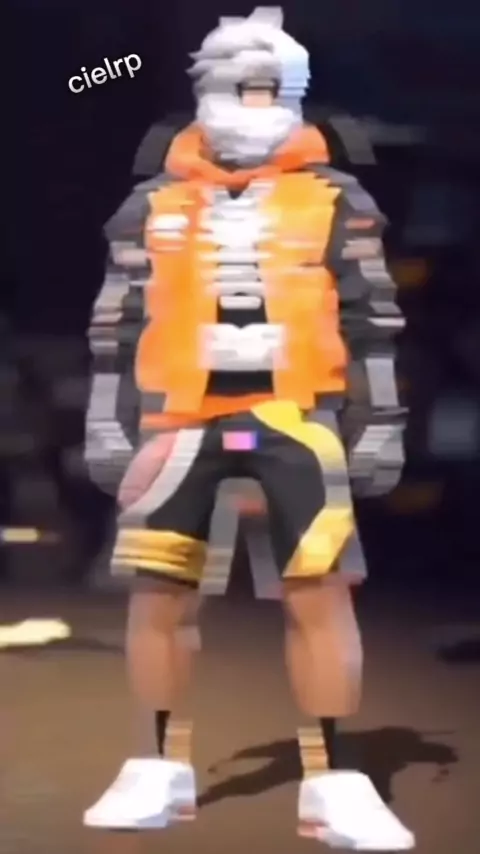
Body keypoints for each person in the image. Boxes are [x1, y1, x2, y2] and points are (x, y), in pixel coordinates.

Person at [83, 7, 413, 849]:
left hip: (298, 414)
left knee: (321, 593)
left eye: (272, 87)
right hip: (177, 417)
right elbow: (116, 325)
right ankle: (158, 767)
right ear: (206, 87)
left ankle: (331, 780)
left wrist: (378, 421)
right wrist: (108, 422)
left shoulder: (335, 200)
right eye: (241, 83)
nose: (255, 100)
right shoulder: (153, 205)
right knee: (160, 592)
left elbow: (373, 321)